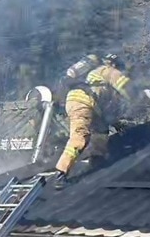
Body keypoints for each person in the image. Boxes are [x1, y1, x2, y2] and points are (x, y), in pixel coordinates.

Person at [53, 53, 133, 184]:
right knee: (80, 136)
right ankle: (61, 172)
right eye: (119, 67)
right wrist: (142, 95)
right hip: (83, 103)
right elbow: (127, 88)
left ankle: (96, 158)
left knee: (101, 130)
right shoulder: (107, 71)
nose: (119, 71)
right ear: (113, 64)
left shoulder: (95, 77)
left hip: (85, 104)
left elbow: (105, 110)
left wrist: (115, 123)